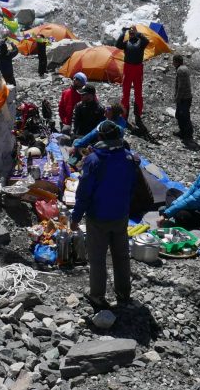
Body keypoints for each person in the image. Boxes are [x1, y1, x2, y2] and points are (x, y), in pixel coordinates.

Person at [70, 121, 139, 310]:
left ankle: (98, 295)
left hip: (98, 216)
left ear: (100, 137)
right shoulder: (128, 158)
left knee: (98, 257)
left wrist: (75, 217)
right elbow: (133, 187)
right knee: (121, 255)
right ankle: (124, 292)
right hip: (120, 214)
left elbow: (84, 193)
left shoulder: (93, 160)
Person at [159, 154, 200, 230]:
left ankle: (172, 212)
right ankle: (171, 209)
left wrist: (165, 214)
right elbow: (190, 192)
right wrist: (173, 205)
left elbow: (189, 202)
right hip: (193, 206)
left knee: (181, 214)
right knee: (172, 191)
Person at [115, 26, 150, 129]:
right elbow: (117, 45)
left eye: (132, 32)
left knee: (138, 94)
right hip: (128, 68)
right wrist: (123, 32)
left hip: (137, 69)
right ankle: (124, 115)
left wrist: (137, 33)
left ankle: (137, 115)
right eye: (130, 33)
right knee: (125, 94)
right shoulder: (126, 43)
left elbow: (146, 41)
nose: (131, 34)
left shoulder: (141, 43)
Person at [173, 54, 193, 139]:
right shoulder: (185, 68)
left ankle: (185, 133)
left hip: (183, 98)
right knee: (185, 115)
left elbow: (181, 86)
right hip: (187, 97)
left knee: (181, 116)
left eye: (173, 61)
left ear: (176, 62)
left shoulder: (180, 70)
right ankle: (187, 132)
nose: (172, 63)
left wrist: (177, 98)